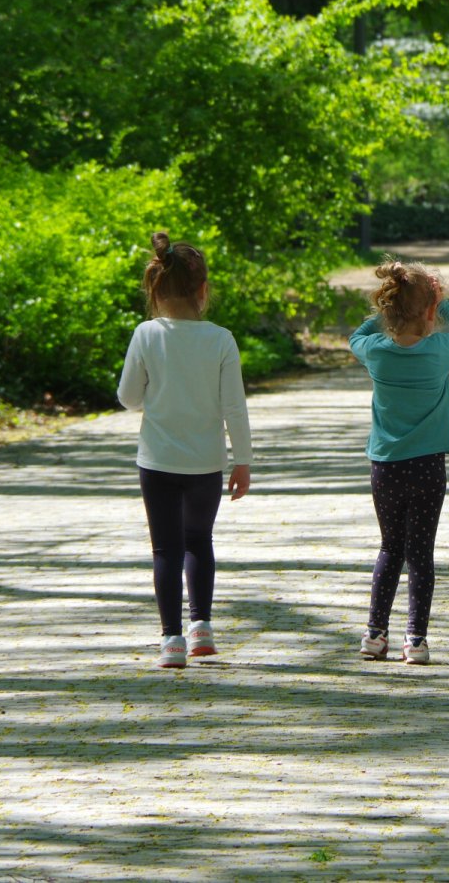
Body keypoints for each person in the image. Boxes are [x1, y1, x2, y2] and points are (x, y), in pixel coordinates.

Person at [117, 232, 253, 669]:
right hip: (205, 464)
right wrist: (243, 460)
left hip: (156, 461)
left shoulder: (145, 335)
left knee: (165, 550)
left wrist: (154, 396)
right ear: (203, 290)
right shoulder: (220, 340)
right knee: (199, 541)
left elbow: (128, 397)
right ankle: (202, 629)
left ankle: (171, 640)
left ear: (155, 289)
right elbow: (234, 405)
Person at [349, 259, 449, 665]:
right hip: (428, 466)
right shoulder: (439, 350)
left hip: (386, 466)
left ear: (388, 307)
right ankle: (416, 639)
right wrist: (444, 306)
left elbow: (357, 335)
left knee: (390, 548)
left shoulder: (375, 352)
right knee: (420, 553)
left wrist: (384, 317)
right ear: (430, 311)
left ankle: (375, 634)